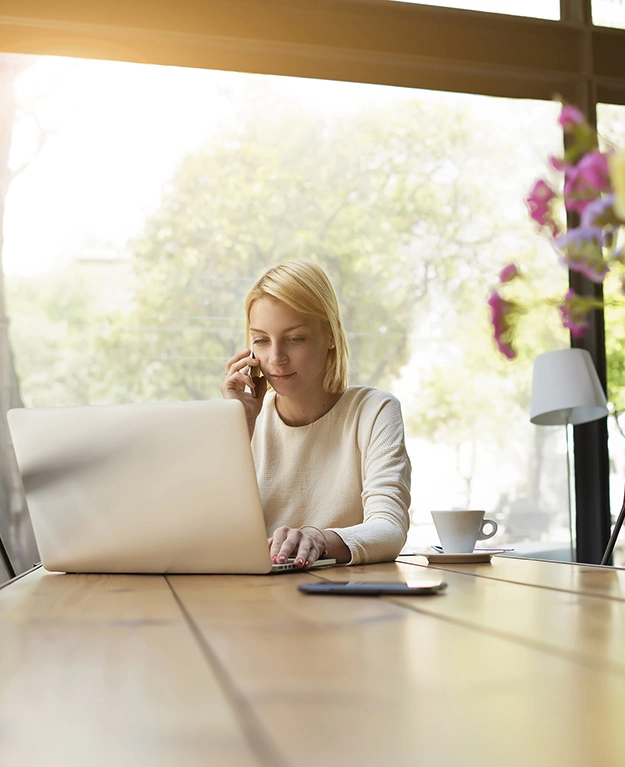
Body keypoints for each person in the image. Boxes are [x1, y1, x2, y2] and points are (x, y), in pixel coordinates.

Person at [220, 259, 411, 568]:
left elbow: (390, 528)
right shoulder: (245, 421)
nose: (275, 357)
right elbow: (211, 534)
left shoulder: (373, 412)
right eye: (261, 341)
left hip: (346, 601)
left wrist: (319, 540)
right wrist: (235, 429)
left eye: (295, 339)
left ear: (331, 335)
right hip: (253, 602)